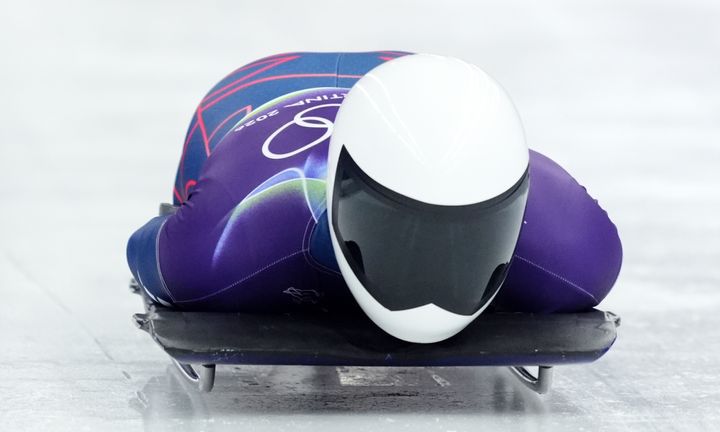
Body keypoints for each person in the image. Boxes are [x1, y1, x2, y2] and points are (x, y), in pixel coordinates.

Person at [127, 51, 623, 341]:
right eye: (403, 231)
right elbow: (156, 249)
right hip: (255, 99)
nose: (432, 275)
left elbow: (147, 248)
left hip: (415, 85)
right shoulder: (238, 231)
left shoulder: (577, 250)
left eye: (472, 233)